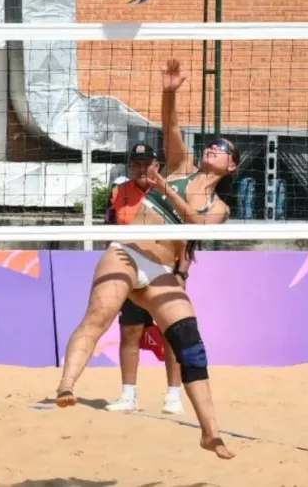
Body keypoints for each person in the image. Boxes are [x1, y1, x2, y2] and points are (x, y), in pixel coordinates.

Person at [55, 59, 239, 459]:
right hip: (128, 252)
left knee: (190, 343)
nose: (215, 148)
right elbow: (170, 126)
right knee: (99, 317)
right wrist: (170, 91)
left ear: (232, 166)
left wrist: (167, 193)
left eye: (223, 150)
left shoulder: (219, 205)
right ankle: (67, 385)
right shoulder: (180, 166)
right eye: (213, 144)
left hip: (162, 271)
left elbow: (197, 226)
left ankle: (211, 433)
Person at [104, 145, 186, 415]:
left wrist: (182, 272)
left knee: (171, 335)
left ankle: (173, 396)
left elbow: (187, 239)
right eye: (136, 163)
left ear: (157, 166)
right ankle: (129, 396)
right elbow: (111, 235)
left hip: (164, 272)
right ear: (129, 167)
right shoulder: (118, 193)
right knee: (129, 333)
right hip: (131, 273)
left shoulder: (170, 194)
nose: (142, 168)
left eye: (147, 163)